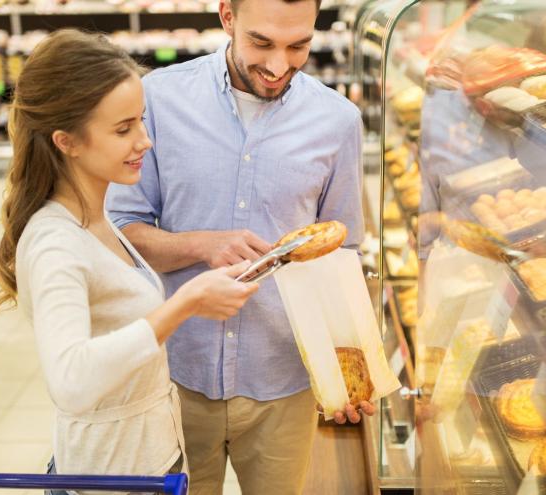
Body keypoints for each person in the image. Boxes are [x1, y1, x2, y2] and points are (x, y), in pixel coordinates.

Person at [105, 0, 372, 493]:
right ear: (227, 16)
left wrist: (350, 370)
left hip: (282, 376)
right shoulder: (158, 100)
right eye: (262, 43)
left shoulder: (338, 122)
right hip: (176, 375)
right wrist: (200, 245)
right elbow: (122, 230)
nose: (277, 67)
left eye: (299, 46)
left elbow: (342, 255)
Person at [0, 29, 258, 495]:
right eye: (123, 129)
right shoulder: (56, 243)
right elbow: (71, 381)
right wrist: (186, 301)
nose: (145, 141)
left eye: (141, 121)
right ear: (66, 141)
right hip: (107, 476)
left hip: (146, 461)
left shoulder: (95, 217)